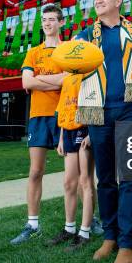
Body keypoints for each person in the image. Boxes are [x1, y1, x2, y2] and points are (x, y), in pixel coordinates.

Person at [75, 0, 132, 263]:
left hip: (129, 110)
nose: (97, 1)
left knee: (129, 179)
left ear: (119, 1)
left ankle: (127, 244)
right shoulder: (85, 35)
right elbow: (71, 66)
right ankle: (109, 237)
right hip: (97, 113)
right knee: (106, 179)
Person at [10, 4, 66, 245]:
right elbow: (26, 82)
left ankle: (87, 219)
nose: (47, 23)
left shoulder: (68, 50)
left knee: (78, 173)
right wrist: (52, 81)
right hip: (38, 116)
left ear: (61, 22)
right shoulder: (33, 52)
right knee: (35, 171)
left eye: (52, 19)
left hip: (64, 114)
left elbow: (68, 80)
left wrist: (38, 79)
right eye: (44, 19)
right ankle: (32, 224)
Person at [45, 72, 102, 249]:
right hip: (68, 132)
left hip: (85, 129)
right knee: (69, 182)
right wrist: (61, 138)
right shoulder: (67, 78)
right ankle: (69, 228)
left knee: (85, 181)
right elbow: (64, 109)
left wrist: (92, 134)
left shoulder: (92, 76)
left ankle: (84, 231)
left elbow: (97, 105)